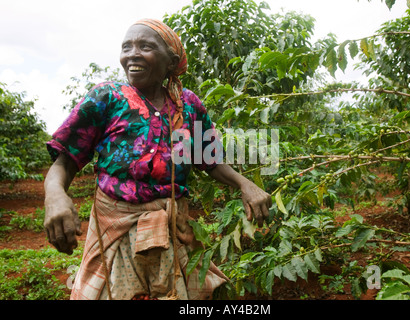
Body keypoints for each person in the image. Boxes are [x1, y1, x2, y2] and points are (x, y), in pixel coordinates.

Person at [43, 18, 272, 300]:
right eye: (126, 47)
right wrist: (54, 195)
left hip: (172, 227)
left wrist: (245, 184)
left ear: (171, 61)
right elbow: (65, 161)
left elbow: (209, 159)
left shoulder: (188, 105)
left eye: (146, 46)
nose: (132, 54)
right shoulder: (107, 98)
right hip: (116, 230)